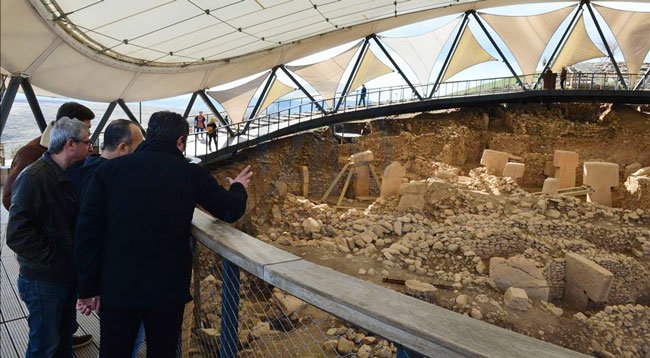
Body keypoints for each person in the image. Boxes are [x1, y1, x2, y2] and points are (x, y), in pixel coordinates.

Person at [75, 111, 252, 357]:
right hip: (166, 289)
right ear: (180, 141)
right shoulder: (189, 173)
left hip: (117, 285)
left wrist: (88, 288)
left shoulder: (109, 171)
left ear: (150, 134)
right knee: (162, 351)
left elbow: (87, 232)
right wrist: (238, 187)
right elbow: (230, 210)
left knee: (114, 351)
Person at [1, 102, 96, 350]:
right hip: (45, 279)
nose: (91, 146)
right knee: (44, 345)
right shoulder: (35, 177)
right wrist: (58, 257)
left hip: (60, 275)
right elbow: (17, 234)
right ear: (70, 145)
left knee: (62, 338)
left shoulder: (64, 172)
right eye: (87, 141)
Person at [72, 119, 146, 357]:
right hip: (114, 281)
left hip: (100, 280)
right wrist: (89, 289)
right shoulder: (108, 179)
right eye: (139, 146)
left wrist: (86, 288)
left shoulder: (84, 171)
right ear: (123, 148)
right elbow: (89, 234)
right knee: (126, 342)